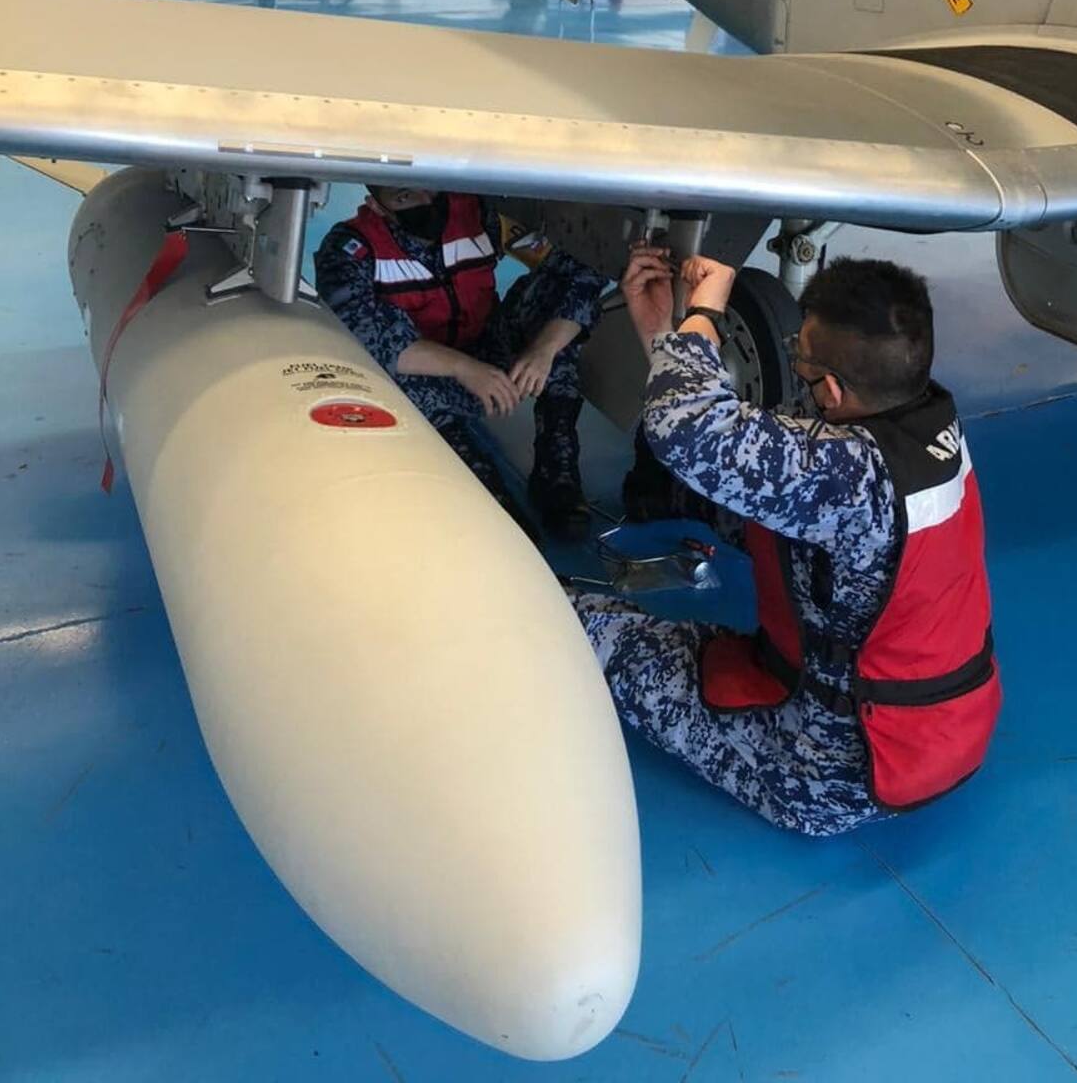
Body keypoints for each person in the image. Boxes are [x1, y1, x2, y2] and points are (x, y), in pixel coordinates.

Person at [569, 245, 1000, 836]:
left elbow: (685, 431)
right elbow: (749, 455)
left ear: (832, 390)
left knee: (580, 627)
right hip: (938, 735)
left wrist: (704, 315)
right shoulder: (925, 423)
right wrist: (663, 335)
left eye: (802, 368)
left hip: (831, 772)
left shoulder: (849, 477)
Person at [314, 185, 608, 538]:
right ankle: (484, 490)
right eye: (404, 198)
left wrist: (543, 350)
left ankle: (556, 468)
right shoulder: (350, 250)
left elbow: (579, 271)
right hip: (425, 378)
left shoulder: (481, 216)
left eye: (428, 188)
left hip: (490, 349)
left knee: (555, 307)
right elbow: (370, 338)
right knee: (385, 379)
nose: (425, 202)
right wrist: (464, 368)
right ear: (376, 205)